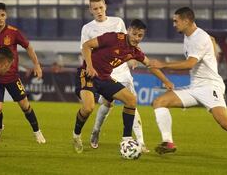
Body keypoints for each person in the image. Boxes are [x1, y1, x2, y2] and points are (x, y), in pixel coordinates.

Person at [149, 7, 227, 162]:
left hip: (210, 86)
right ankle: (168, 142)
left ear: (186, 21)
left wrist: (163, 65)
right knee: (160, 102)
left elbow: (190, 64)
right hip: (195, 87)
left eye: (176, 21)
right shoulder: (189, 36)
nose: (174, 24)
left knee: (224, 122)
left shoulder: (199, 38)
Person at [72, 19, 174, 153]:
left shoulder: (135, 51)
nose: (136, 38)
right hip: (87, 74)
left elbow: (150, 65)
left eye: (140, 36)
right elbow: (86, 45)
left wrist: (166, 81)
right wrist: (90, 66)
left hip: (104, 79)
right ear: (128, 31)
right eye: (134, 34)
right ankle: (76, 135)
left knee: (131, 100)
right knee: (88, 107)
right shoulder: (112, 38)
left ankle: (126, 139)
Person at [80, 0, 149, 152]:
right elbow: (85, 48)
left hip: (122, 70)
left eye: (100, 7)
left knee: (132, 101)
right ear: (90, 10)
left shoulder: (117, 22)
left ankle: (140, 141)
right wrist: (90, 66)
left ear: (105, 6)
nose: (99, 11)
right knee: (107, 103)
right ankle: (96, 131)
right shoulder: (87, 28)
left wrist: (132, 59)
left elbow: (128, 42)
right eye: (95, 8)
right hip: (103, 72)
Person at [0, 2, 46, 144]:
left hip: (12, 77)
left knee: (25, 106)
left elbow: (29, 48)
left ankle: (37, 132)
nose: (0, 18)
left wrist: (37, 65)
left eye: (2, 15)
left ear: (6, 16)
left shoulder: (14, 32)